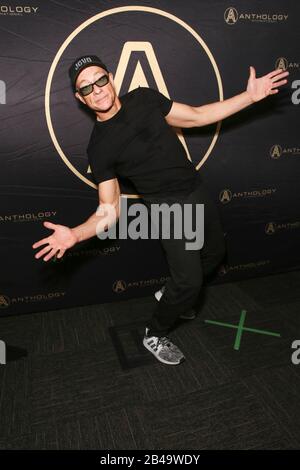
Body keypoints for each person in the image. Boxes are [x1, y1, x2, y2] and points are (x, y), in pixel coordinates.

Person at [32, 54, 289, 366]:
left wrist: (249, 96)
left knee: (215, 253)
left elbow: (196, 115)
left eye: (100, 79)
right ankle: (154, 331)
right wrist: (76, 233)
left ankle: (176, 291)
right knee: (190, 282)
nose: (96, 89)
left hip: (194, 188)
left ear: (111, 78)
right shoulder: (99, 148)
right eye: (86, 87)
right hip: (168, 207)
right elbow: (109, 209)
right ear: (80, 98)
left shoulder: (144, 98)